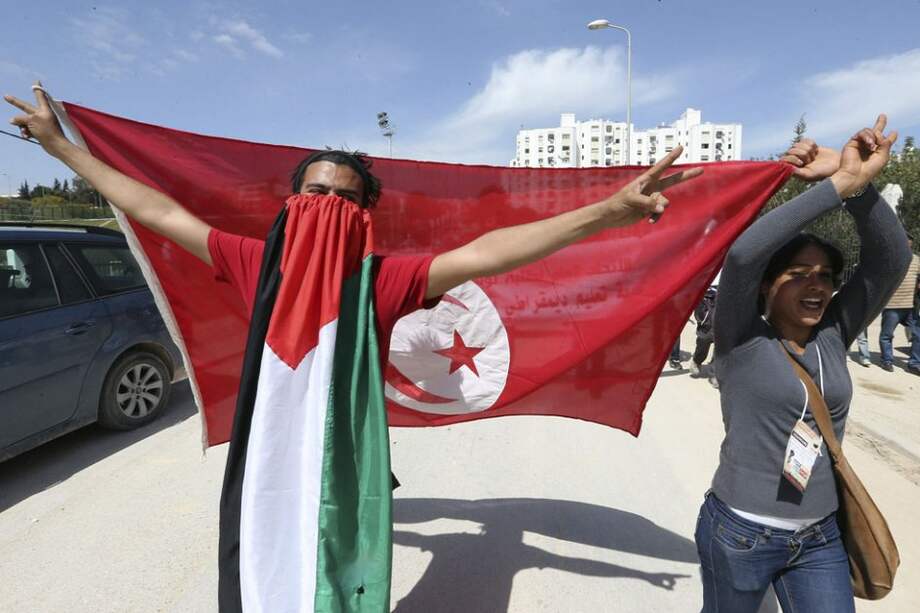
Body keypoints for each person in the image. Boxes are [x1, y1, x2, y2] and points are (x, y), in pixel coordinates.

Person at [5, 84, 704, 608]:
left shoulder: (384, 279)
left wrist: (608, 211)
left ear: (364, 216)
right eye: (315, 191)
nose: (326, 206)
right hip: (266, 454)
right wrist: (62, 147)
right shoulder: (255, 262)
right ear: (290, 200)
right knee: (255, 568)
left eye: (344, 199)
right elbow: (157, 210)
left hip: (343, 458)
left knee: (339, 577)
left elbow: (490, 252)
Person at [695, 117, 911, 613]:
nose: (817, 285)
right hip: (740, 533)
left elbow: (890, 259)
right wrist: (835, 188)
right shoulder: (741, 338)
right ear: (769, 286)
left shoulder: (833, 334)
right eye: (799, 274)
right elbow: (745, 255)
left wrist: (858, 185)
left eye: (826, 276)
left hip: (819, 537)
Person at [878, 232, 920, 374]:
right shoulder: (890, 258)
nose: (907, 245)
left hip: (910, 307)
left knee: (918, 335)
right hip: (892, 305)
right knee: (887, 335)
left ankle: (914, 363)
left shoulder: (917, 260)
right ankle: (887, 360)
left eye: (909, 242)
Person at [689, 284, 718, 386]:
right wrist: (703, 321)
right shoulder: (706, 293)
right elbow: (699, 312)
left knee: (719, 353)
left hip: (722, 329)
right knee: (702, 349)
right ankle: (696, 361)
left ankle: (714, 374)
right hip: (706, 328)